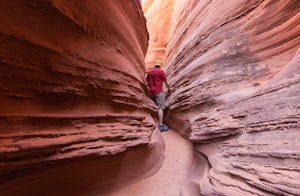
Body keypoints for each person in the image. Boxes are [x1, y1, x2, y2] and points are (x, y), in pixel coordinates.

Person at [147, 60, 171, 132]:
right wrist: (169, 89)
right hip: (159, 91)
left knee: (153, 107)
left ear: (155, 65)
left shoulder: (149, 72)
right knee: (160, 108)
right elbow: (166, 82)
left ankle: (152, 123)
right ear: (160, 65)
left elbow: (147, 81)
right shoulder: (161, 72)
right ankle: (161, 125)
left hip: (151, 92)